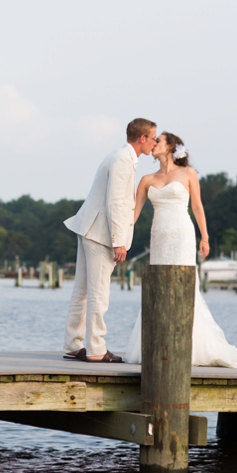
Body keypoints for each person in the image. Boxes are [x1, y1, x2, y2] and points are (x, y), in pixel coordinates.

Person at [124, 131, 237, 368]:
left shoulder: (188, 174)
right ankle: (158, 343)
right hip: (159, 236)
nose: (154, 144)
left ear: (170, 147)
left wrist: (205, 237)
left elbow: (197, 206)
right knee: (159, 287)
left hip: (182, 235)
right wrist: (120, 237)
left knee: (184, 286)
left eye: (159, 141)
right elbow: (133, 214)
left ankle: (188, 344)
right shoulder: (146, 179)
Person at [62, 118, 158, 362]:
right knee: (98, 293)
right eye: (153, 137)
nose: (155, 142)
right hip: (101, 234)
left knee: (82, 291)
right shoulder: (124, 161)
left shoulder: (117, 156)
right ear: (142, 138)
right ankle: (96, 349)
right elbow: (115, 202)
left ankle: (73, 344)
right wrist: (119, 241)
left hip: (89, 228)